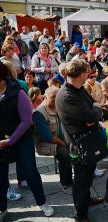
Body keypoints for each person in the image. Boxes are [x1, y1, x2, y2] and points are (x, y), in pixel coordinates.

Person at [0, 61, 54, 218]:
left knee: (30, 172)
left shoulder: (18, 92)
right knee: (1, 175)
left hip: (21, 138)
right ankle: (2, 208)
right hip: (1, 140)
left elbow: (26, 121)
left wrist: (10, 141)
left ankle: (42, 202)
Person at [55, 59, 104, 222]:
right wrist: (96, 111)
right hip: (79, 146)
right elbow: (91, 114)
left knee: (88, 175)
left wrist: (94, 111)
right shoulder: (67, 96)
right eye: (87, 73)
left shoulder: (78, 89)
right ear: (81, 75)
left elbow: (93, 106)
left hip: (88, 140)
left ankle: (87, 200)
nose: (89, 75)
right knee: (81, 181)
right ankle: (81, 215)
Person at [33, 86, 73, 194]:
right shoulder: (39, 113)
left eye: (57, 96)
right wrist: (63, 143)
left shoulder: (59, 105)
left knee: (78, 145)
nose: (55, 99)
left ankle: (81, 175)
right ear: (45, 97)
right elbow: (47, 136)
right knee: (66, 154)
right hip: (47, 143)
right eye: (52, 97)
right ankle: (66, 183)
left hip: (61, 138)